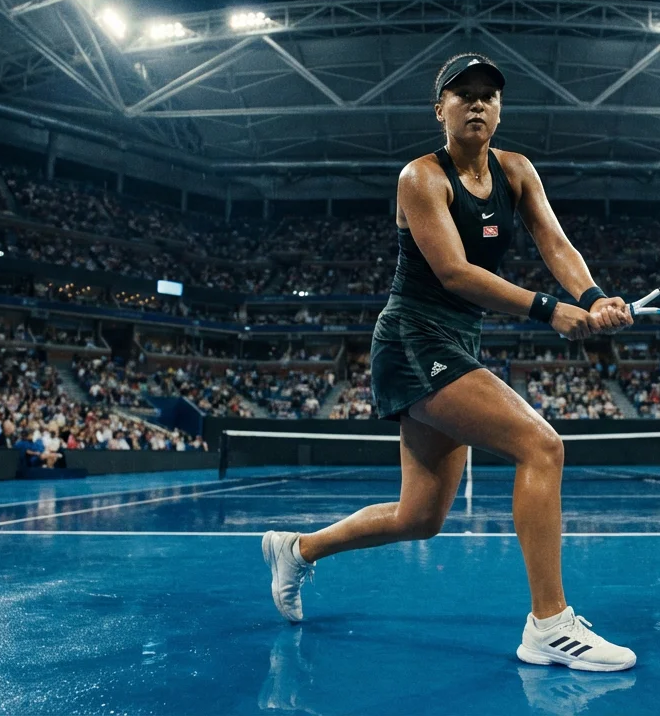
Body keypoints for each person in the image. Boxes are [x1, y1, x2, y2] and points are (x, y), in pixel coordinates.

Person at [261, 53, 637, 672]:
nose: (478, 103)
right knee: (542, 447)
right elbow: (455, 273)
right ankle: (549, 625)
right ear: (440, 109)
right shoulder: (421, 178)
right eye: (463, 94)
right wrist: (550, 310)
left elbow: (555, 242)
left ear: (500, 109)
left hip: (456, 343)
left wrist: (593, 297)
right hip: (413, 340)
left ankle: (297, 549)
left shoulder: (516, 171)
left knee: (421, 516)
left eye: (489, 94)